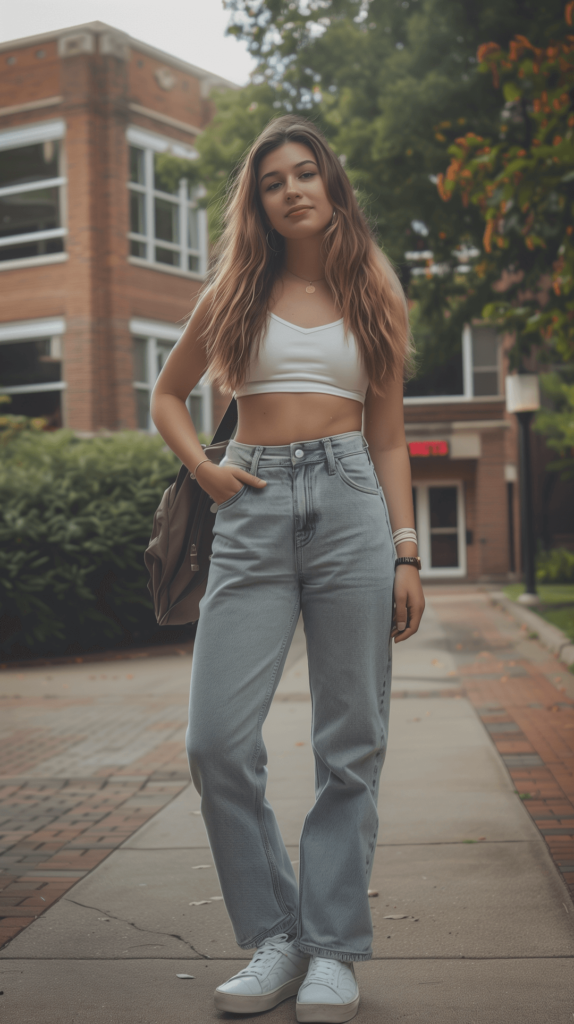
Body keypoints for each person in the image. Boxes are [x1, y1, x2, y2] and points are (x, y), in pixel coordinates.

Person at [151, 115, 425, 1024]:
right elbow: (168, 394)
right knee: (215, 743)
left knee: (351, 743)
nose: (293, 189)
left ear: (331, 184)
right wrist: (208, 471)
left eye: (307, 173)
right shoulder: (233, 288)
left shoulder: (373, 288)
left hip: (352, 502)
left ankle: (333, 950)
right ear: (259, 202)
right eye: (275, 181)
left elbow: (386, 436)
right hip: (253, 504)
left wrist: (406, 551)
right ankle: (278, 933)